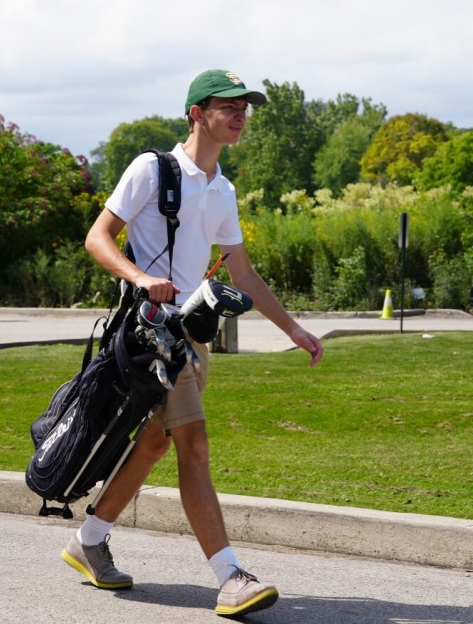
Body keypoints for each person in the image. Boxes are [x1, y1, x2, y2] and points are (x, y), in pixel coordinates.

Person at [62, 69, 324, 618]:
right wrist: (140, 279)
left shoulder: (222, 189)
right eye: (229, 107)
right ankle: (230, 578)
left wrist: (293, 329)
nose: (240, 116)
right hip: (151, 334)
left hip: (192, 338)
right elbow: (97, 237)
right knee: (194, 443)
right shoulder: (152, 169)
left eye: (245, 109)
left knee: (155, 444)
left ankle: (89, 541)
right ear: (197, 114)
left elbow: (242, 273)